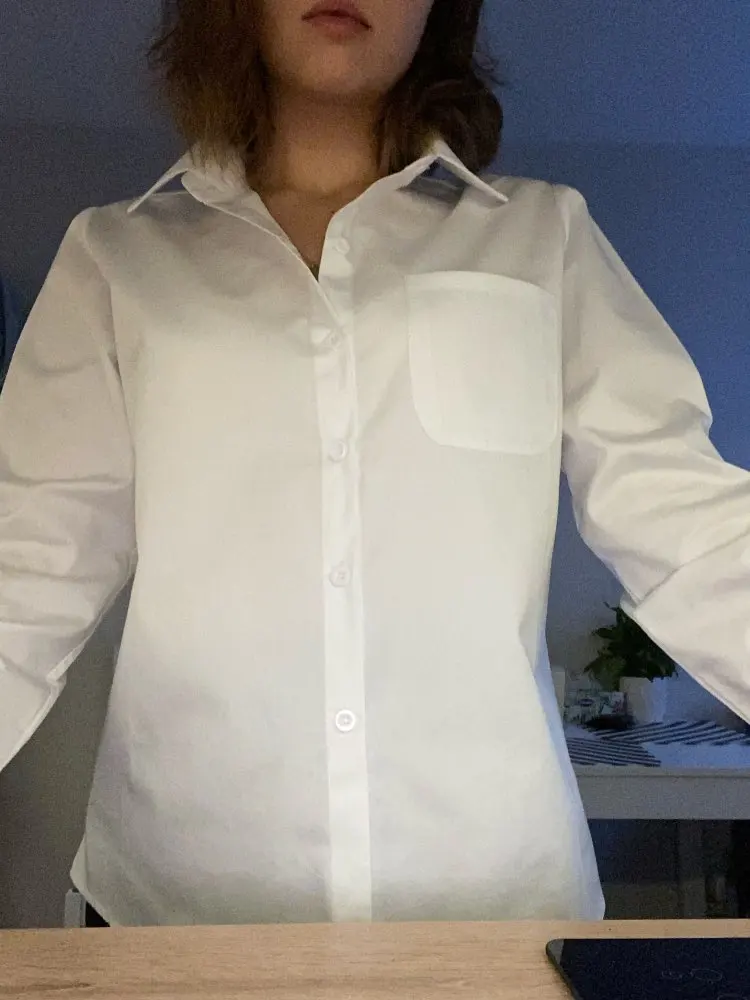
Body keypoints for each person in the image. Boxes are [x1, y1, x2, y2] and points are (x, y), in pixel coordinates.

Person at [1, 0, 749, 929]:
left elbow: (688, 524)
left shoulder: (544, 240)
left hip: (499, 919)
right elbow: (25, 571)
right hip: (177, 919)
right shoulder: (118, 257)